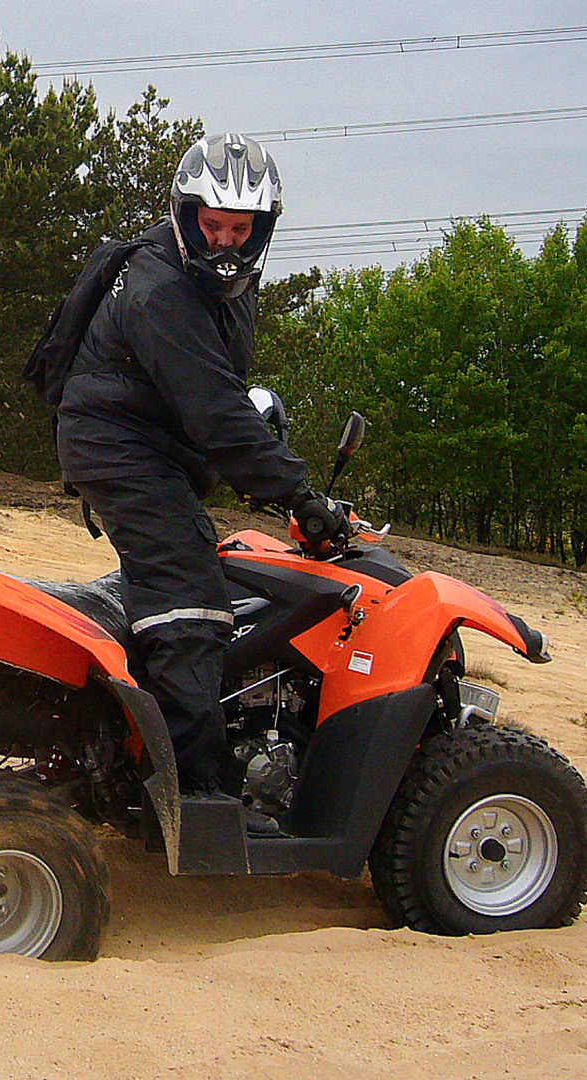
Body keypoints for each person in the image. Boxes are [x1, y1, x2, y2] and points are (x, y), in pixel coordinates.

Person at [55, 132, 342, 834]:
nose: (224, 243)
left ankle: (140, 740)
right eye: (211, 226)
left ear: (262, 227)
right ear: (184, 215)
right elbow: (214, 411)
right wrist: (298, 496)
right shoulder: (161, 288)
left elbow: (222, 398)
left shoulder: (228, 286)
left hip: (148, 443)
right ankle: (194, 802)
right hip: (120, 446)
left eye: (240, 230)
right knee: (192, 603)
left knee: (192, 576)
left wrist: (266, 469)